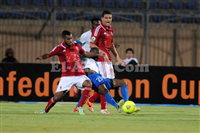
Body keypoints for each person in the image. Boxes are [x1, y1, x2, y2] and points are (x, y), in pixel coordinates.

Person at [34, 30, 104, 115]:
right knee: (57, 97)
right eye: (68, 39)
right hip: (67, 76)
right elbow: (48, 55)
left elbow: (85, 53)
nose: (70, 41)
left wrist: (96, 54)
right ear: (63, 39)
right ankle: (45, 110)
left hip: (79, 74)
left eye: (71, 38)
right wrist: (41, 57)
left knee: (88, 83)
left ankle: (79, 107)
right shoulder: (59, 48)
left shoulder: (77, 45)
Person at [76, 47, 140, 113]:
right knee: (104, 90)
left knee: (123, 83)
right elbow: (78, 55)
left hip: (99, 77)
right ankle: (117, 107)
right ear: (92, 53)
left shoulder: (95, 62)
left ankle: (127, 104)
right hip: (92, 77)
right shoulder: (86, 59)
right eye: (97, 53)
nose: (99, 54)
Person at [87, 10, 127, 114]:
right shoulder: (98, 29)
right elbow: (92, 45)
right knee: (105, 85)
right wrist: (102, 53)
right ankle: (103, 109)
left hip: (108, 61)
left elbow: (111, 44)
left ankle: (90, 100)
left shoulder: (111, 29)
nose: (108, 20)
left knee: (108, 85)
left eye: (110, 18)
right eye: (106, 18)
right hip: (100, 61)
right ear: (102, 19)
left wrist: (117, 57)